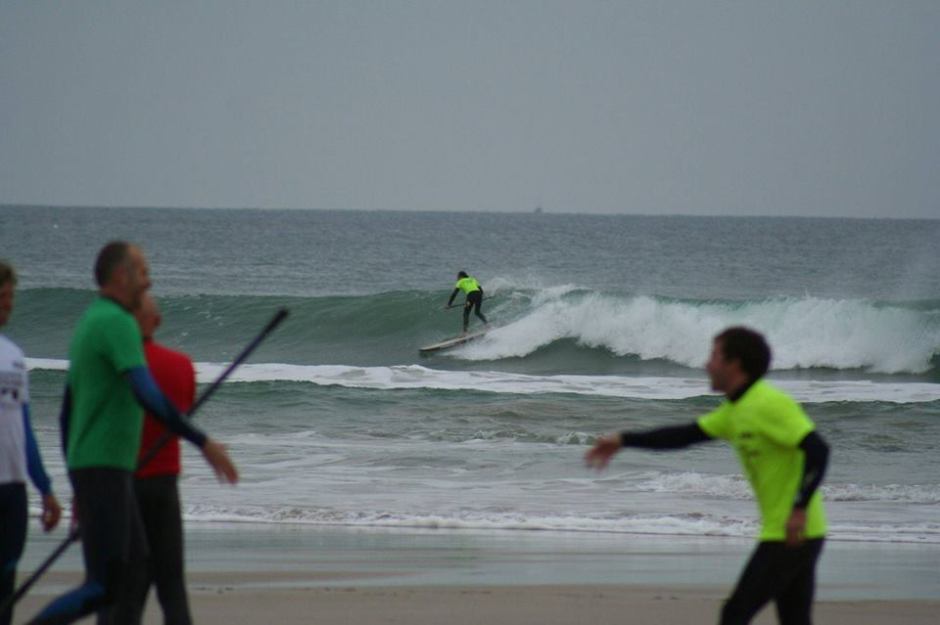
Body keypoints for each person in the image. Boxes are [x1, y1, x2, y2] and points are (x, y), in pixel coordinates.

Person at [29, 242, 238, 625]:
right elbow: (147, 393)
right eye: (143, 271)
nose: (149, 278)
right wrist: (203, 442)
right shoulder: (117, 322)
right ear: (121, 276)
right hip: (103, 468)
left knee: (133, 570)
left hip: (97, 467)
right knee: (103, 586)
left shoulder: (91, 320)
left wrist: (75, 477)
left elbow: (65, 413)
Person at [585, 326, 829, 625]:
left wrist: (798, 509)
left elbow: (818, 450)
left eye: (714, 356)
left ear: (734, 363)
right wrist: (623, 440)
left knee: (736, 613)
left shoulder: (769, 403)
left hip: (789, 532)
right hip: (802, 532)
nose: (706, 364)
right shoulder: (733, 411)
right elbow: (682, 436)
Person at [0, 261, 62, 625]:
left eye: (10, 297)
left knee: (7, 584)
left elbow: (24, 431)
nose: (9, 304)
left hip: (13, 490)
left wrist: (46, 488)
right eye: (2, 297)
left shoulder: (15, 356)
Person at [127, 293, 195, 624]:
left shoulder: (120, 366)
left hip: (125, 483)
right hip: (165, 486)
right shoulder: (181, 366)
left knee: (129, 590)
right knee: (172, 588)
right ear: (159, 322)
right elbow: (183, 411)